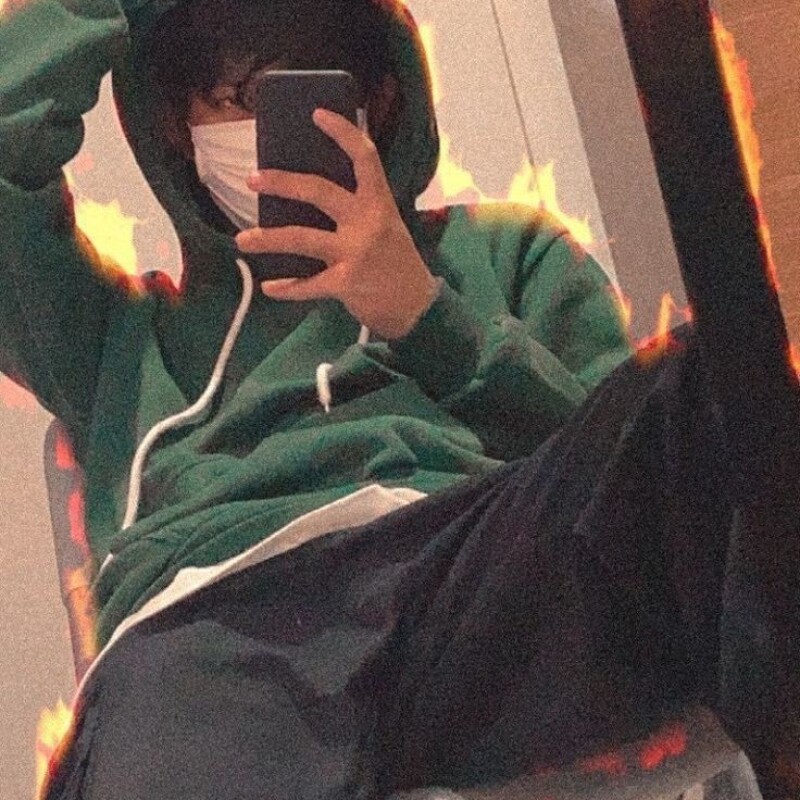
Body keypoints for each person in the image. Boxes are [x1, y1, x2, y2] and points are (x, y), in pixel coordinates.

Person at [0, 0, 797, 799]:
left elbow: (630, 486)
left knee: (717, 387)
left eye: (303, 87)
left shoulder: (506, 255)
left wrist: (427, 318)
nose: (267, 125)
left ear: (378, 102)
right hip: (223, 622)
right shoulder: (116, 337)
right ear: (178, 125)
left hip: (470, 587)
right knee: (175, 708)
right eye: (234, 99)